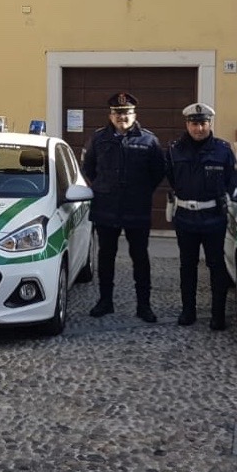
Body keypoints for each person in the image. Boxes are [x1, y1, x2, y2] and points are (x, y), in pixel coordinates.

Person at [82, 92, 166, 323]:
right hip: (106, 208)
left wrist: (140, 190)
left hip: (136, 209)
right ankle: (105, 301)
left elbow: (158, 171)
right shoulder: (98, 139)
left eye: (127, 113)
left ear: (134, 115)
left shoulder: (149, 140)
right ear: (111, 115)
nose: (122, 117)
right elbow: (89, 168)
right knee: (106, 257)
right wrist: (105, 187)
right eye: (118, 114)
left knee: (140, 258)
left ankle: (144, 305)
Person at [166, 102, 237, 330]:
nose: (199, 129)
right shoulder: (174, 150)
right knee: (187, 266)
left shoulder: (223, 150)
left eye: (203, 124)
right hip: (185, 218)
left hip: (213, 218)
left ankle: (218, 315)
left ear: (209, 124)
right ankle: (188, 311)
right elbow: (171, 178)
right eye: (194, 124)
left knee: (216, 267)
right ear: (187, 124)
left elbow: (232, 181)